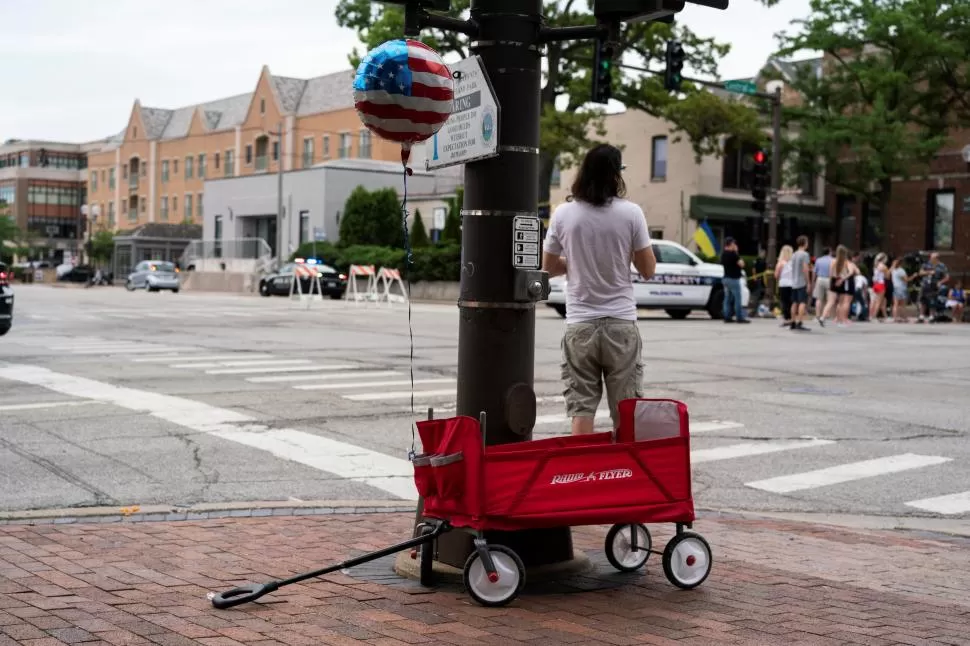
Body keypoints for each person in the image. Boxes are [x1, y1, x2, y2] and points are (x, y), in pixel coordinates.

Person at [542, 143, 657, 436]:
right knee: (626, 410)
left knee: (581, 408)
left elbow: (549, 266)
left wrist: (578, 261)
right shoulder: (632, 213)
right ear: (616, 175)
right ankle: (624, 475)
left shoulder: (564, 214)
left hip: (580, 324)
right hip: (620, 323)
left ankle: (584, 475)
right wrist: (617, 255)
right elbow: (648, 269)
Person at [720, 238, 749, 324]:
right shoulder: (733, 254)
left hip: (726, 278)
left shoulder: (723, 254)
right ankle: (739, 317)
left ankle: (727, 317)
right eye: (733, 244)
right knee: (738, 299)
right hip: (734, 279)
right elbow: (742, 264)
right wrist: (736, 252)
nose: (735, 245)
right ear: (730, 244)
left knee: (727, 299)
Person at [917, 252, 950, 323]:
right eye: (930, 257)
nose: (930, 259)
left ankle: (931, 316)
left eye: (932, 258)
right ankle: (921, 316)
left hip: (934, 285)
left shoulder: (942, 266)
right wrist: (928, 272)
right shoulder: (926, 264)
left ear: (937, 258)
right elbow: (920, 273)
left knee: (932, 301)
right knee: (923, 300)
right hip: (925, 284)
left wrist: (940, 282)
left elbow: (947, 277)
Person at [789, 235, 811, 332]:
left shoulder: (794, 254)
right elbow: (805, 269)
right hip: (802, 281)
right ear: (804, 243)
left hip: (794, 281)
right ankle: (799, 322)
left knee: (794, 302)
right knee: (802, 302)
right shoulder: (805, 254)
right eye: (807, 242)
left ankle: (793, 322)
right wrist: (808, 282)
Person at [813, 247, 834, 324]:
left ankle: (817, 316)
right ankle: (827, 315)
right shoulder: (833, 260)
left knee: (819, 298)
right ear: (829, 252)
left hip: (820, 279)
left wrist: (813, 281)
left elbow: (814, 271)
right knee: (829, 299)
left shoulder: (818, 260)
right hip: (829, 279)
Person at [775, 245, 794, 327]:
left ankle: (786, 319)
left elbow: (776, 275)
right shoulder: (793, 263)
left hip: (783, 284)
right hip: (792, 284)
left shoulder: (781, 263)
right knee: (791, 302)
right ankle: (791, 318)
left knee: (784, 302)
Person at [890, 257, 913, 323]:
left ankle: (895, 318)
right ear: (901, 263)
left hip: (895, 287)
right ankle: (904, 318)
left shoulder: (893, 270)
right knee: (903, 305)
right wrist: (914, 276)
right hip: (902, 288)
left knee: (895, 304)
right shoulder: (901, 270)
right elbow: (906, 280)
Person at [869, 253, 889, 322]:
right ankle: (873, 317)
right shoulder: (883, 266)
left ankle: (884, 316)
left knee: (878, 301)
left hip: (875, 284)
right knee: (878, 302)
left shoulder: (876, 265)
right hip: (881, 284)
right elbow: (887, 276)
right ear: (884, 259)